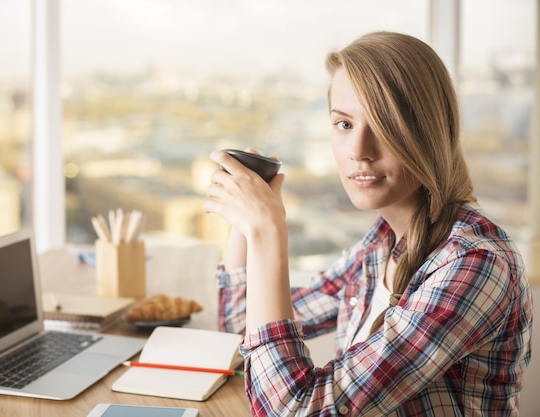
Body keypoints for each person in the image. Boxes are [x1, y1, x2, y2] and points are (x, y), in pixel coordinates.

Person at [202, 31, 533, 416]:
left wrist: (267, 232)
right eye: (344, 125)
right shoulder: (380, 244)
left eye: (384, 122)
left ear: (431, 132)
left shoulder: (474, 265)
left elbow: (297, 409)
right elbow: (242, 335)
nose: (359, 151)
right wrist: (245, 222)